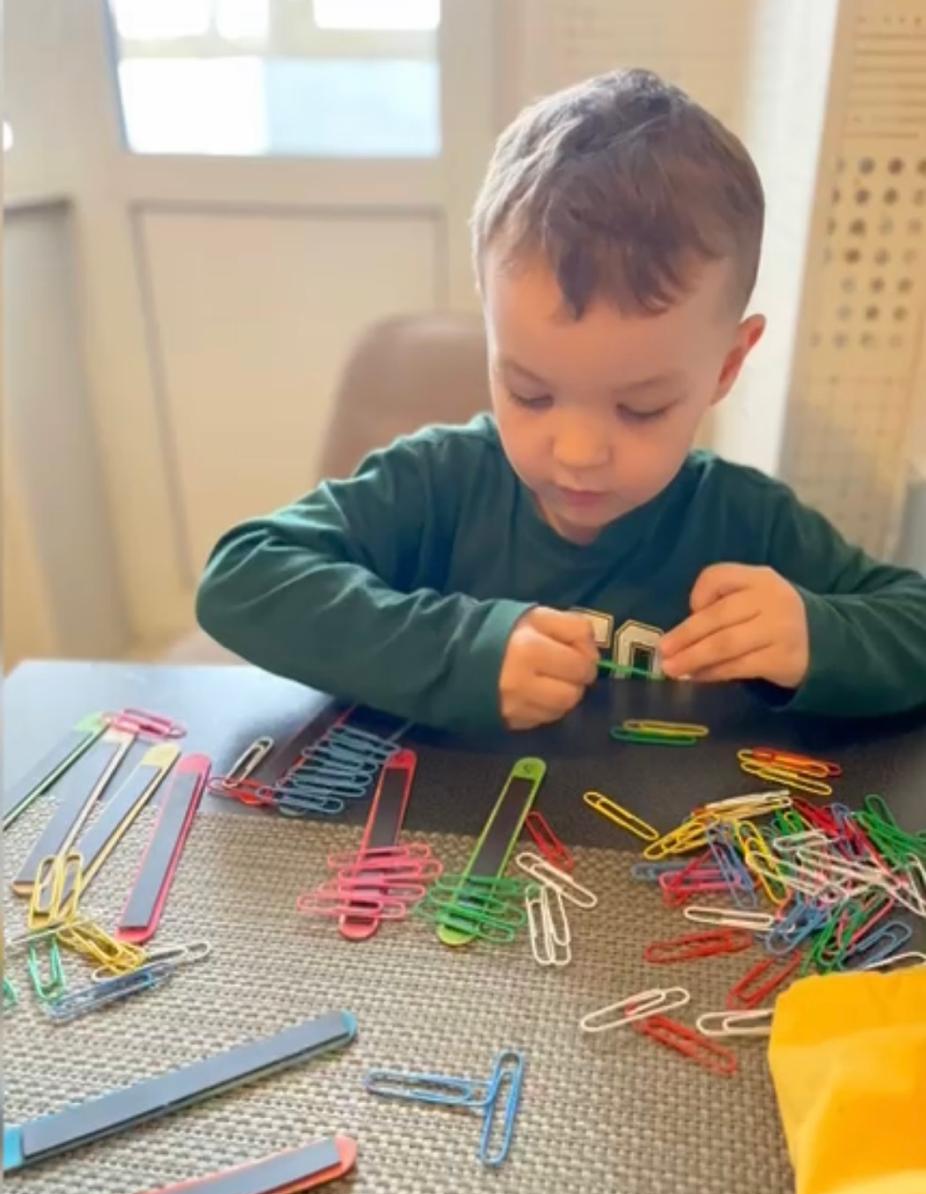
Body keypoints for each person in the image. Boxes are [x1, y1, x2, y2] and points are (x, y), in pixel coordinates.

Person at [196, 68, 926, 732]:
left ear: (728, 364)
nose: (577, 453)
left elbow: (913, 621)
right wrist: (457, 654)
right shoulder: (439, 485)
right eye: (531, 392)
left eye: (641, 408)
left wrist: (818, 637)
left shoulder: (747, 522)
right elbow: (242, 579)